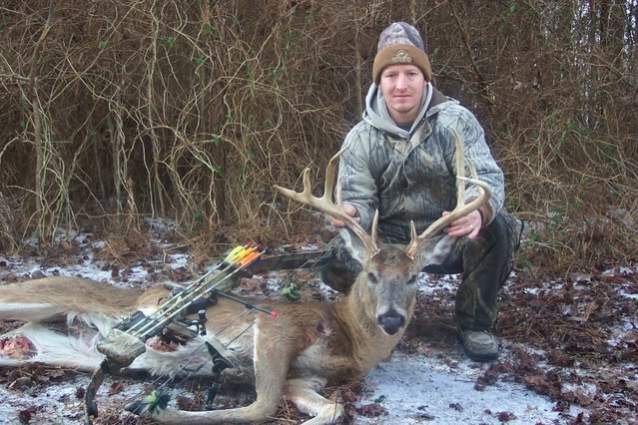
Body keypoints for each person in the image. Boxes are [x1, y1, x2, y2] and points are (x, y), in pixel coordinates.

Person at [321, 22, 521, 362]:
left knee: (496, 229)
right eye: (391, 75)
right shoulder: (361, 138)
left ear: (425, 77)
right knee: (333, 261)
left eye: (411, 74)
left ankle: (475, 324)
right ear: (379, 82)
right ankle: (386, 305)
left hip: (444, 237)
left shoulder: (455, 123)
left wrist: (476, 210)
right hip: (387, 244)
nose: (401, 85)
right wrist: (352, 212)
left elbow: (486, 177)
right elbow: (358, 197)